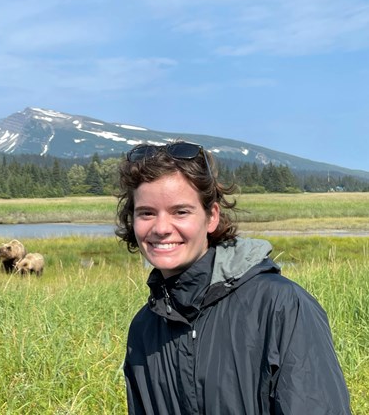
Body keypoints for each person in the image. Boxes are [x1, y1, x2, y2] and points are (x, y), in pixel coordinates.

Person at [115, 141, 351, 414]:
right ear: (132, 220)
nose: (161, 228)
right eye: (146, 213)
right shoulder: (144, 328)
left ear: (211, 216)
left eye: (180, 211)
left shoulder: (280, 306)